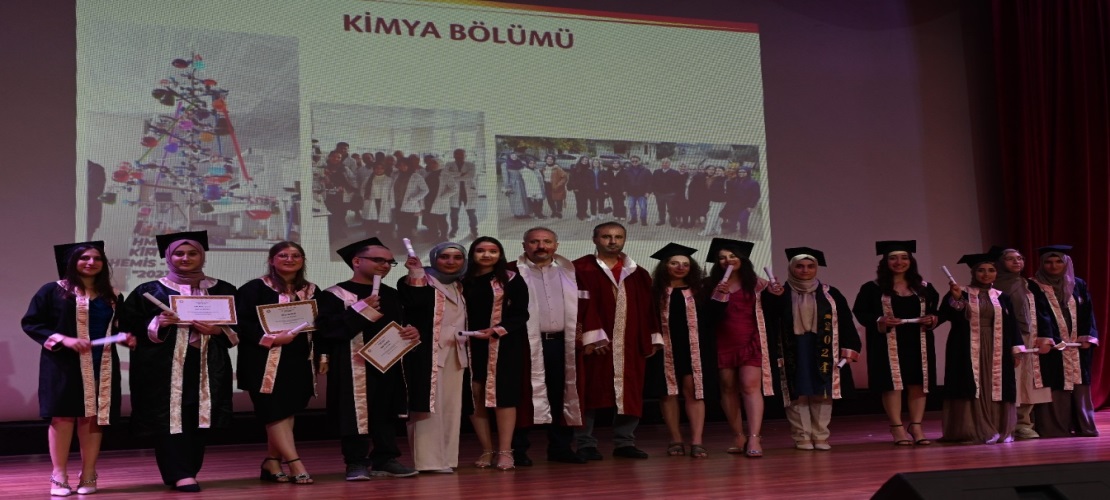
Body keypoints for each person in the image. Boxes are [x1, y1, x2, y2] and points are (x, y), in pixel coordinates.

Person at [119, 231, 238, 492]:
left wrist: (217, 330)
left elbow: (238, 330)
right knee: (171, 417)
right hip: (163, 367)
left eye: (192, 253)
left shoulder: (223, 290)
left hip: (207, 364)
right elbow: (127, 328)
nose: (185, 258)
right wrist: (157, 323)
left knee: (199, 415)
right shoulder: (149, 291)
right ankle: (180, 473)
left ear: (202, 256)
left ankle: (189, 470)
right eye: (179, 253)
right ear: (168, 257)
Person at [22, 241, 135, 496]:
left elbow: (118, 327)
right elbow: (32, 323)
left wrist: (126, 337)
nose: (91, 262)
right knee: (62, 416)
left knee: (93, 417)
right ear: (72, 262)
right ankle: (58, 475)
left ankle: (89, 473)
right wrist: (64, 339)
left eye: (97, 258)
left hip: (101, 363)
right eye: (84, 258)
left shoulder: (113, 295)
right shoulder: (53, 291)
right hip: (63, 363)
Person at [315, 238, 420, 480]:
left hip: (387, 362)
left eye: (389, 262)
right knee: (354, 412)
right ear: (356, 261)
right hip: (352, 364)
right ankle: (356, 462)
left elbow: (402, 324)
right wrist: (360, 310)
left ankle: (385, 458)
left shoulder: (391, 295)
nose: (385, 265)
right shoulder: (335, 294)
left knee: (385, 410)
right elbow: (328, 330)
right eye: (378, 260)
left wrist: (412, 332)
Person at [573, 222, 662, 460]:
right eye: (606, 236)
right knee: (588, 391)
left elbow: (648, 308)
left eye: (618, 237)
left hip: (629, 342)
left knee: (629, 392)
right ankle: (585, 442)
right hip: (595, 344)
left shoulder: (638, 273)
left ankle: (625, 442)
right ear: (595, 239)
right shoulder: (579, 269)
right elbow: (576, 306)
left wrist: (651, 337)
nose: (613, 241)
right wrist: (590, 337)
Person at [234, 242, 318, 484]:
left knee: (287, 411)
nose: (289, 259)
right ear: (272, 260)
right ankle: (295, 463)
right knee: (274, 411)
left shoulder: (311, 290)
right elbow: (241, 323)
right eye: (283, 255)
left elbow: (319, 325)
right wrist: (270, 338)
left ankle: (272, 461)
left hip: (298, 360)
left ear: (302, 260)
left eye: (295, 255)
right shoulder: (253, 288)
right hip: (262, 360)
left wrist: (322, 356)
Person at [763, 247, 859, 450]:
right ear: (791, 268)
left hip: (822, 348)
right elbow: (768, 320)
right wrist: (773, 298)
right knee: (797, 392)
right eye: (799, 266)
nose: (805, 270)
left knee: (821, 391)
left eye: (810, 266)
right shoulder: (779, 292)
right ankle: (802, 436)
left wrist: (850, 348)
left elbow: (846, 322)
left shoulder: (831, 293)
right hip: (794, 348)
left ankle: (821, 435)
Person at [508, 227, 586, 466]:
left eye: (547, 241)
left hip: (562, 344)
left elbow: (586, 305)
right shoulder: (510, 272)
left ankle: (561, 448)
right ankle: (518, 450)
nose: (541, 246)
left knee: (562, 394)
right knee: (522, 395)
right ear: (524, 245)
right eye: (534, 242)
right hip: (524, 344)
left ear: (556, 245)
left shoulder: (570, 272)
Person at [852, 240, 941, 446]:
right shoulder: (872, 288)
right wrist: (879, 319)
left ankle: (916, 426)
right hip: (887, 342)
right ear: (885, 262)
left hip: (918, 340)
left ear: (911, 261)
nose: (899, 262)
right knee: (893, 384)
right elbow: (861, 312)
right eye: (893, 258)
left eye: (904, 258)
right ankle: (897, 427)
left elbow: (935, 311)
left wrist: (932, 318)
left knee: (918, 383)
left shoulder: (925, 288)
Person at [701, 238, 777, 457]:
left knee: (750, 386)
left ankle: (754, 437)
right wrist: (719, 295)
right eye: (722, 258)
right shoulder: (709, 285)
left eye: (732, 256)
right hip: (722, 341)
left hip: (751, 340)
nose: (728, 261)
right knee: (727, 387)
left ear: (742, 259)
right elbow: (707, 318)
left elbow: (773, 313)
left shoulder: (758, 284)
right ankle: (738, 435)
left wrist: (776, 295)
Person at [398, 242, 470, 472]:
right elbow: (415, 304)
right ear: (434, 258)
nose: (451, 262)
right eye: (444, 257)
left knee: (450, 407)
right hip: (427, 352)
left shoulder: (459, 284)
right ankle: (428, 461)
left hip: (455, 352)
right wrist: (416, 272)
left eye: (457, 257)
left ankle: (447, 459)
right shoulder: (418, 280)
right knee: (427, 407)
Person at [938, 251, 1022, 444]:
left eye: (991, 270)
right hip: (967, 347)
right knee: (971, 384)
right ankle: (973, 429)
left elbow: (1012, 324)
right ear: (974, 273)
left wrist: (1016, 350)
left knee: (996, 385)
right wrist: (957, 299)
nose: (986, 274)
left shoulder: (1002, 296)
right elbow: (948, 315)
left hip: (996, 346)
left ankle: (998, 427)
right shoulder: (961, 292)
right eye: (981, 270)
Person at [462, 237, 529, 470]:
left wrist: (496, 330)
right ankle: (487, 449)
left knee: (503, 396)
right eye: (480, 251)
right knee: (475, 396)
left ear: (500, 254)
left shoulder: (511, 279)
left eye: (493, 251)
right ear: (472, 254)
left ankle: (505, 451)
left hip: (503, 345)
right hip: (468, 345)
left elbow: (521, 313)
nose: (486, 255)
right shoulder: (461, 280)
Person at [648, 243, 712, 458]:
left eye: (685, 264)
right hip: (663, 348)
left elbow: (714, 319)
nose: (680, 267)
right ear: (665, 266)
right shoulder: (655, 292)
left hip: (694, 348)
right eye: (674, 263)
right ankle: (675, 439)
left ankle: (697, 441)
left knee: (694, 391)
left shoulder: (700, 291)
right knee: (668, 393)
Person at [1028, 245, 1099, 437]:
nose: (1054, 266)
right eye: (1048, 262)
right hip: (1052, 344)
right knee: (1055, 381)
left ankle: (1084, 426)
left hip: (1077, 344)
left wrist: (1087, 335)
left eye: (1059, 261)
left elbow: (1087, 312)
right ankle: (1055, 428)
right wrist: (1047, 338)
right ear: (1042, 264)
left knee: (1079, 383)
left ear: (1066, 263)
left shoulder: (1077, 284)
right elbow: (1039, 314)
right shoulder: (1034, 285)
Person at [993, 246, 1052, 439]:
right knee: (1011, 379)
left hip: (1029, 336)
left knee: (1029, 380)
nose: (1016, 262)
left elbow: (1043, 311)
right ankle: (1004, 423)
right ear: (1000, 262)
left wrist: (1045, 336)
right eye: (1010, 259)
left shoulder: (1029, 284)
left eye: (1019, 258)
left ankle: (1024, 423)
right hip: (1005, 337)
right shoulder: (993, 285)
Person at [384, 155, 429, 240]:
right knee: (400, 225)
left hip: (409, 205)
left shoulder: (416, 176)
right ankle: (401, 241)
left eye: (405, 165)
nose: (402, 167)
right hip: (397, 204)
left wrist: (414, 199)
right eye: (400, 165)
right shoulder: (395, 175)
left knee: (407, 226)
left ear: (409, 165)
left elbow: (425, 190)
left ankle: (407, 243)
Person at [322, 150, 358, 241]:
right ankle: (330, 234)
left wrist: (348, 188)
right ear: (329, 157)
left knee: (340, 214)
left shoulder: (344, 168)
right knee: (329, 214)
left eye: (339, 157)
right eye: (334, 156)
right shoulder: (323, 167)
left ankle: (339, 231)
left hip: (341, 194)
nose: (336, 159)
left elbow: (353, 178)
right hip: (327, 195)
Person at [447, 149, 480, 240]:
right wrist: (461, 174)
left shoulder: (471, 165)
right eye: (457, 154)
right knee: (454, 213)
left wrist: (455, 177)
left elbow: (470, 176)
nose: (459, 156)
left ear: (465, 156)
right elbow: (447, 175)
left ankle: (474, 230)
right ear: (454, 155)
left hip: (468, 192)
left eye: (461, 155)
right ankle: (454, 230)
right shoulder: (449, 164)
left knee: (471, 213)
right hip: (454, 192)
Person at [422, 156, 457, 241]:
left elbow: (454, 188)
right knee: (431, 220)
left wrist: (443, 197)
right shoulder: (428, 174)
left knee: (442, 220)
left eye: (434, 163)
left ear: (440, 164)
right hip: (429, 200)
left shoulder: (446, 175)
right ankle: (434, 236)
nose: (432, 165)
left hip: (440, 201)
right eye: (431, 163)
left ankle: (444, 237)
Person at [359, 160, 393, 236]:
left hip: (384, 202)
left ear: (384, 169)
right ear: (374, 169)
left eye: (381, 168)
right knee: (371, 220)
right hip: (371, 202)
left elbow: (391, 193)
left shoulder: (389, 180)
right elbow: (362, 189)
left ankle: (383, 235)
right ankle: (370, 234)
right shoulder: (368, 179)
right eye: (377, 168)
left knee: (383, 220)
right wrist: (365, 197)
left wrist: (391, 203)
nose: (379, 170)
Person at [726, 166, 760, 238]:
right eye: (740, 172)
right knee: (733, 218)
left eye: (743, 172)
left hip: (746, 205)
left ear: (748, 173)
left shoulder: (753, 183)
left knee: (743, 219)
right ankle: (733, 229)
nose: (741, 173)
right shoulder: (736, 181)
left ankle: (744, 232)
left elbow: (756, 195)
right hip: (735, 204)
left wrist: (751, 206)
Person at [651, 159, 683, 226]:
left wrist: (675, 193)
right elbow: (653, 182)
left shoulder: (675, 173)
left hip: (671, 194)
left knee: (671, 209)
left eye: (666, 163)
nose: (664, 164)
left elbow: (679, 184)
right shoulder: (656, 172)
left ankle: (672, 221)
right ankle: (661, 220)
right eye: (663, 162)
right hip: (659, 194)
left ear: (669, 164)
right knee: (661, 208)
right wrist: (655, 192)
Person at [622, 155, 651, 226]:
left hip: (642, 193)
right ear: (630, 162)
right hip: (631, 193)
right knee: (631, 206)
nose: (634, 162)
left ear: (639, 161)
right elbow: (623, 182)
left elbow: (650, 182)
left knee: (643, 207)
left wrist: (648, 192)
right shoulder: (626, 170)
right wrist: (624, 190)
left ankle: (643, 220)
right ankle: (634, 219)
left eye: (636, 161)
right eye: (632, 161)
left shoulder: (646, 170)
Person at [699, 167, 727, 237]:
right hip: (713, 201)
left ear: (724, 171)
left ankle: (707, 231)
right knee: (713, 216)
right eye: (716, 170)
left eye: (719, 170)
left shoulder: (725, 180)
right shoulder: (715, 179)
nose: (717, 172)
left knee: (711, 216)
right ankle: (716, 230)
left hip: (720, 202)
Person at [569, 156, 597, 221]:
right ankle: (580, 214)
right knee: (579, 202)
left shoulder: (588, 169)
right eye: (583, 160)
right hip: (578, 189)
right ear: (580, 160)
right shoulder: (575, 168)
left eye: (586, 160)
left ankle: (584, 213)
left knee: (585, 202)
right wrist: (575, 187)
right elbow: (572, 179)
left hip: (586, 189)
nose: (585, 161)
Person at [503, 152, 529, 219]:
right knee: (516, 199)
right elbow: (505, 176)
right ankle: (518, 213)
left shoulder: (521, 163)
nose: (514, 156)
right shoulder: (505, 165)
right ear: (509, 156)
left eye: (515, 155)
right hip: (513, 184)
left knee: (524, 198)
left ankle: (526, 213)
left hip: (522, 183)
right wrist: (508, 186)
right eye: (512, 155)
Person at [541, 154, 568, 219]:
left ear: (553, 160)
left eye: (551, 159)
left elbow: (564, 177)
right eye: (548, 159)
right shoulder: (544, 168)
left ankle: (559, 212)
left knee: (558, 199)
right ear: (546, 160)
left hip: (556, 185)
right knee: (550, 199)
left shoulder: (557, 168)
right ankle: (554, 211)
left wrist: (559, 184)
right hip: (547, 185)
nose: (549, 160)